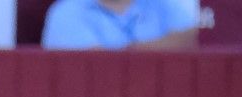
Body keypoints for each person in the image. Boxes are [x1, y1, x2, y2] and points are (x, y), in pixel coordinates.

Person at [41, 0, 199, 50]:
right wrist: (165, 45)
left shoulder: (164, 6)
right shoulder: (65, 12)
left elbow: (191, 40)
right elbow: (99, 66)